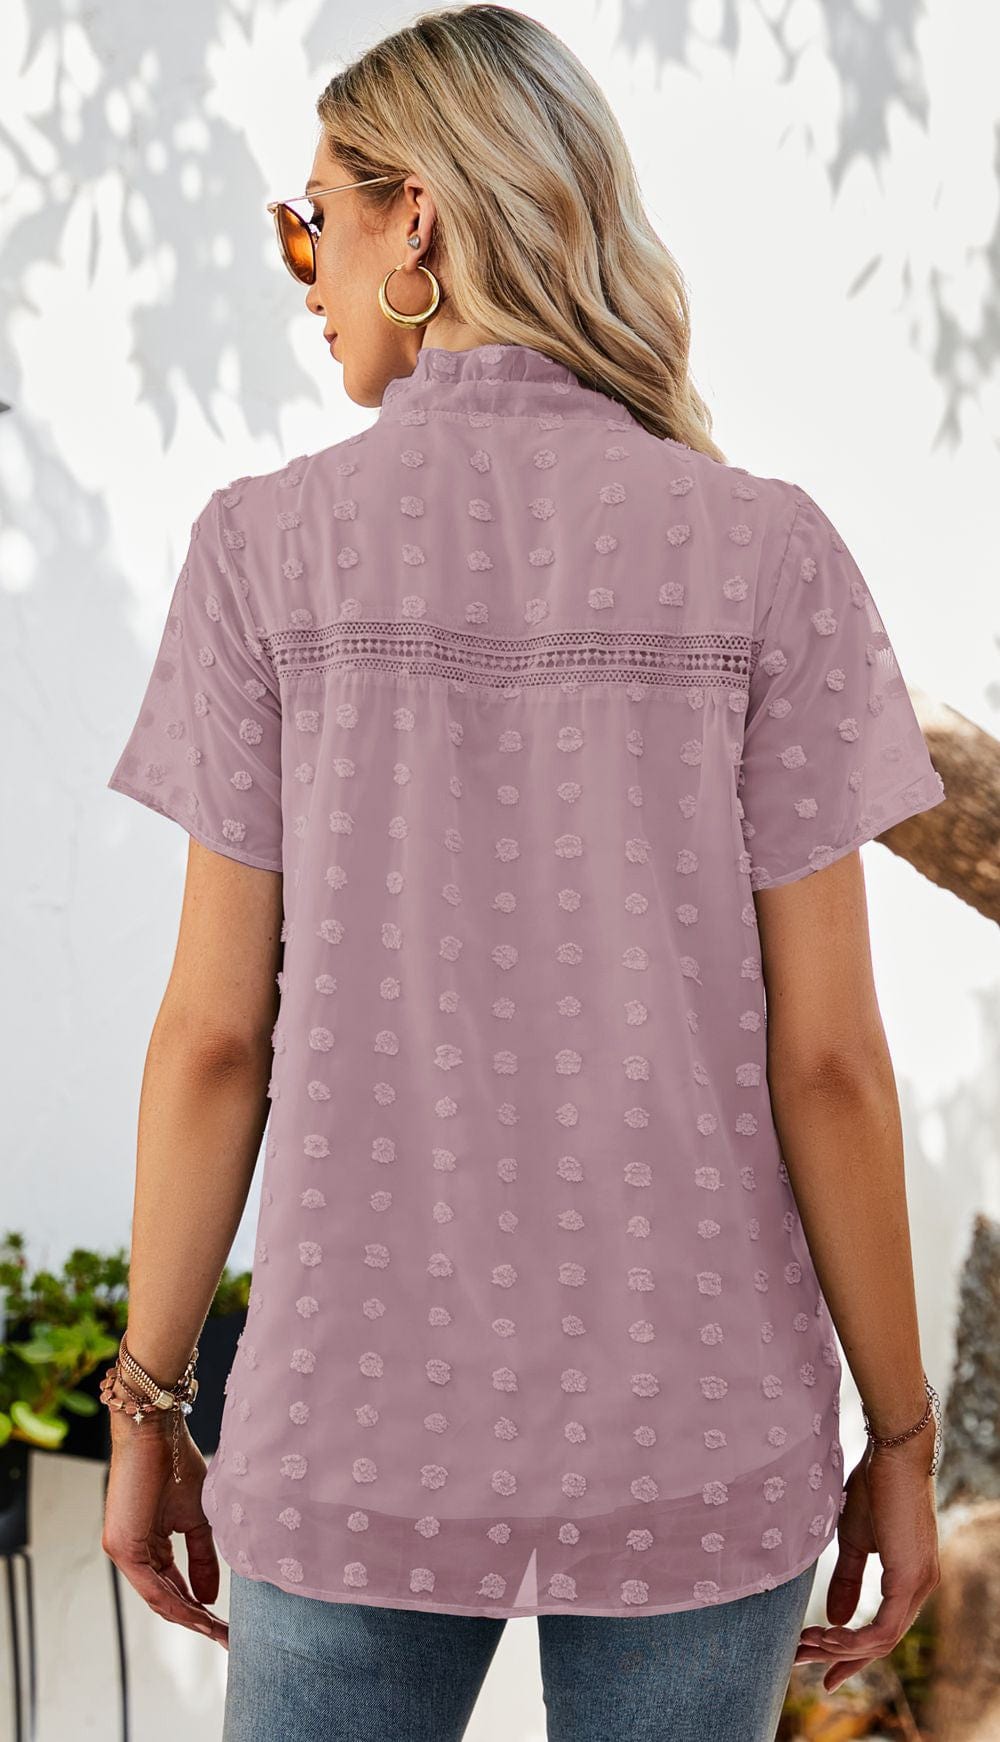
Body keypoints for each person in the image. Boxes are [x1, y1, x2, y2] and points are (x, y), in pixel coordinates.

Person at [99, 6, 945, 1739]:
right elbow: (832, 1061)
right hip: (700, 1440)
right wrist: (903, 1435)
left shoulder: (264, 552)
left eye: (311, 221)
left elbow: (212, 1037)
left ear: (413, 214)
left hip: (353, 1437)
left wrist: (147, 1401)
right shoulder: (767, 554)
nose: (304, 274)